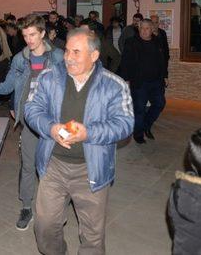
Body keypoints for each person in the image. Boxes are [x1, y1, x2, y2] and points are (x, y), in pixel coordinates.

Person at [25, 28, 134, 255]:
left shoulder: (114, 85)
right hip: (53, 164)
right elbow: (32, 109)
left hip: (91, 170)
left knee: (92, 235)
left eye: (76, 52)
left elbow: (125, 124)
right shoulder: (49, 77)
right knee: (45, 226)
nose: (68, 57)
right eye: (66, 51)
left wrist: (89, 133)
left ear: (94, 56)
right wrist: (50, 128)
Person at [0, 14, 65, 231]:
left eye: (33, 35)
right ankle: (27, 207)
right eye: (25, 35)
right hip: (29, 121)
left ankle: (53, 209)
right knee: (28, 166)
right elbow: (7, 87)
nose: (29, 39)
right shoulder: (20, 59)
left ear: (43, 33)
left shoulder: (58, 57)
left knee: (52, 168)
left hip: (53, 121)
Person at [120, 19, 169, 144]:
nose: (144, 31)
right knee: (139, 109)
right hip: (139, 82)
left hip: (156, 81)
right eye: (142, 28)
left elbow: (162, 60)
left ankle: (146, 125)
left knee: (159, 104)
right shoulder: (131, 42)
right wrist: (126, 79)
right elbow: (125, 62)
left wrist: (165, 75)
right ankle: (138, 134)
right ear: (138, 29)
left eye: (147, 28)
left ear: (152, 29)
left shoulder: (157, 41)